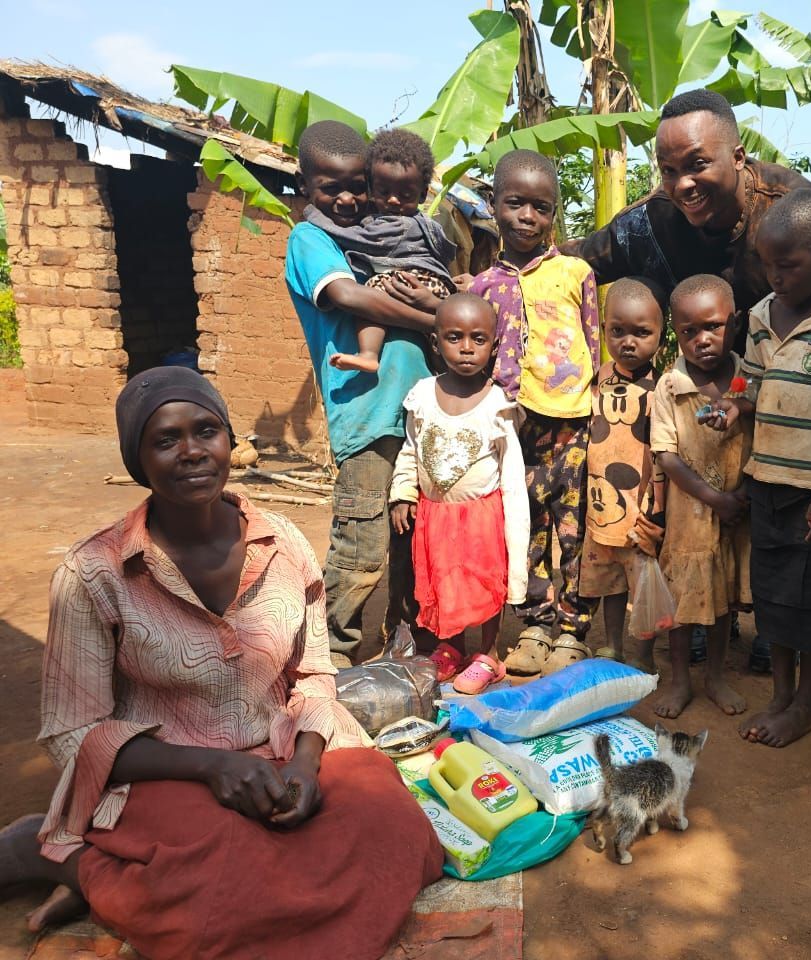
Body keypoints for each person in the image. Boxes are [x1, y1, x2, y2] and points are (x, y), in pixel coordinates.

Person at [0, 367, 441, 958]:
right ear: (138, 461)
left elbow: (313, 678)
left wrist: (307, 769)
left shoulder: (283, 543)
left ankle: (132, 882)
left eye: (206, 431)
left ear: (230, 440)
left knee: (396, 828)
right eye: (165, 440)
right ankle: (64, 859)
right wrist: (209, 767)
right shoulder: (94, 573)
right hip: (162, 772)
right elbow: (71, 733)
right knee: (221, 896)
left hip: (280, 750)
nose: (191, 452)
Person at [716, 189, 811, 749]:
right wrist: (734, 405)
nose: (776, 276)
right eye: (768, 264)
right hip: (767, 479)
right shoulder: (760, 314)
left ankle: (806, 701)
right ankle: (780, 693)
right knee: (773, 593)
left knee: (810, 599)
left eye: (789, 265)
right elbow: (752, 387)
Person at [286, 120, 444, 666]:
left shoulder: (385, 229)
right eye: (333, 188)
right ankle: (331, 659)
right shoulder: (311, 239)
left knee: (412, 539)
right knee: (361, 546)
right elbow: (351, 297)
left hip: (420, 411)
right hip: (366, 414)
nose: (350, 198)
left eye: (358, 185)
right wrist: (436, 318)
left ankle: (401, 642)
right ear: (305, 184)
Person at [565, 88, 811, 334]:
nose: (682, 185)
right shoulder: (649, 224)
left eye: (697, 164)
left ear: (738, 157)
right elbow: (567, 267)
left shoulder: (795, 212)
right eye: (668, 170)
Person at [469, 150, 601, 676]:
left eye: (541, 207)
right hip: (510, 427)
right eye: (516, 203)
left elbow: (594, 342)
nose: (528, 216)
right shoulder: (481, 285)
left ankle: (572, 628)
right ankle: (533, 624)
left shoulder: (576, 272)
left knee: (573, 527)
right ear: (494, 205)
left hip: (568, 423)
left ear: (554, 212)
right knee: (525, 529)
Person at [388, 294, 529, 671]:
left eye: (478, 339)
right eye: (454, 337)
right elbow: (411, 449)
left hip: (484, 517)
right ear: (436, 343)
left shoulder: (497, 404)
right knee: (444, 580)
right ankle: (450, 646)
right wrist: (402, 492)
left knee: (485, 582)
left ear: (494, 346)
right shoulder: (422, 396)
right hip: (436, 517)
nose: (467, 348)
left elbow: (513, 474)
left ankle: (488, 651)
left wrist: (516, 537)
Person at [648, 274, 751, 720]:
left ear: (736, 323)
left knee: (724, 595)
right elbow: (667, 457)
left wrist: (740, 495)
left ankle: (715, 677)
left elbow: (762, 439)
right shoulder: (670, 386)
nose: (702, 340)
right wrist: (715, 499)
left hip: (738, 510)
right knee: (682, 602)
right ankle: (681, 681)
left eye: (713, 326)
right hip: (691, 513)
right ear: (676, 333)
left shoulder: (748, 379)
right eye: (688, 331)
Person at [317, 127, 459, 374]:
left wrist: (315, 217)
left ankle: (368, 354)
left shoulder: (399, 225)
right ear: (372, 189)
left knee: (373, 291)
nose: (393, 200)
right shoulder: (421, 223)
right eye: (384, 192)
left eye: (404, 195)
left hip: (411, 282)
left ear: (423, 194)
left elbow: (355, 238)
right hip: (435, 289)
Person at [580, 278, 668, 670]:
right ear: (604, 332)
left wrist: (657, 509)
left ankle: (643, 656)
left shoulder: (662, 388)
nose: (628, 342)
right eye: (618, 331)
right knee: (609, 587)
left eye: (642, 333)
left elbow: (663, 455)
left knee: (643, 588)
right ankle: (613, 645)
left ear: (661, 339)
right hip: (601, 511)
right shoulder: (597, 378)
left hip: (639, 514)